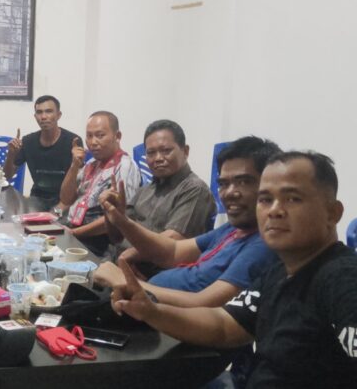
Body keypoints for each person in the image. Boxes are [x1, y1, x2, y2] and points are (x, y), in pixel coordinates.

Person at [111, 151, 357, 388]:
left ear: (333, 213)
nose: (274, 210)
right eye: (265, 199)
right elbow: (224, 324)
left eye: (292, 198)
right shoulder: (279, 272)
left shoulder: (343, 278)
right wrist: (151, 311)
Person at [95, 136, 280, 308]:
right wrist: (122, 220)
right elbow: (173, 252)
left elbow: (205, 305)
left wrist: (125, 282)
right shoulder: (233, 228)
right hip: (146, 300)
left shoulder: (261, 245)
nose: (230, 192)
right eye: (224, 184)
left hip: (162, 319)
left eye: (244, 182)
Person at [110, 119, 216, 276]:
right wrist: (112, 212)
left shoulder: (195, 190)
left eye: (166, 150)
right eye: (151, 153)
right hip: (120, 265)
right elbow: (116, 237)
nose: (158, 158)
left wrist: (127, 257)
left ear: (185, 151)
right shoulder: (145, 190)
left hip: (155, 277)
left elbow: (172, 241)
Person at [58, 111, 140, 256]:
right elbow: (66, 199)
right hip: (72, 228)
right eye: (89, 136)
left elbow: (119, 218)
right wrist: (74, 166)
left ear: (117, 136)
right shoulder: (91, 163)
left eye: (100, 135)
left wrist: (74, 233)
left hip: (98, 241)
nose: (93, 142)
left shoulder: (125, 167)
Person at [3, 95, 83, 210]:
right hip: (36, 200)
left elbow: (79, 184)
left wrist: (57, 211)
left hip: (65, 201)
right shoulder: (28, 141)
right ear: (35, 116)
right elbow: (6, 176)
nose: (44, 117)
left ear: (59, 115)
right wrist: (11, 155)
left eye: (49, 111)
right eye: (39, 112)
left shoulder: (73, 141)